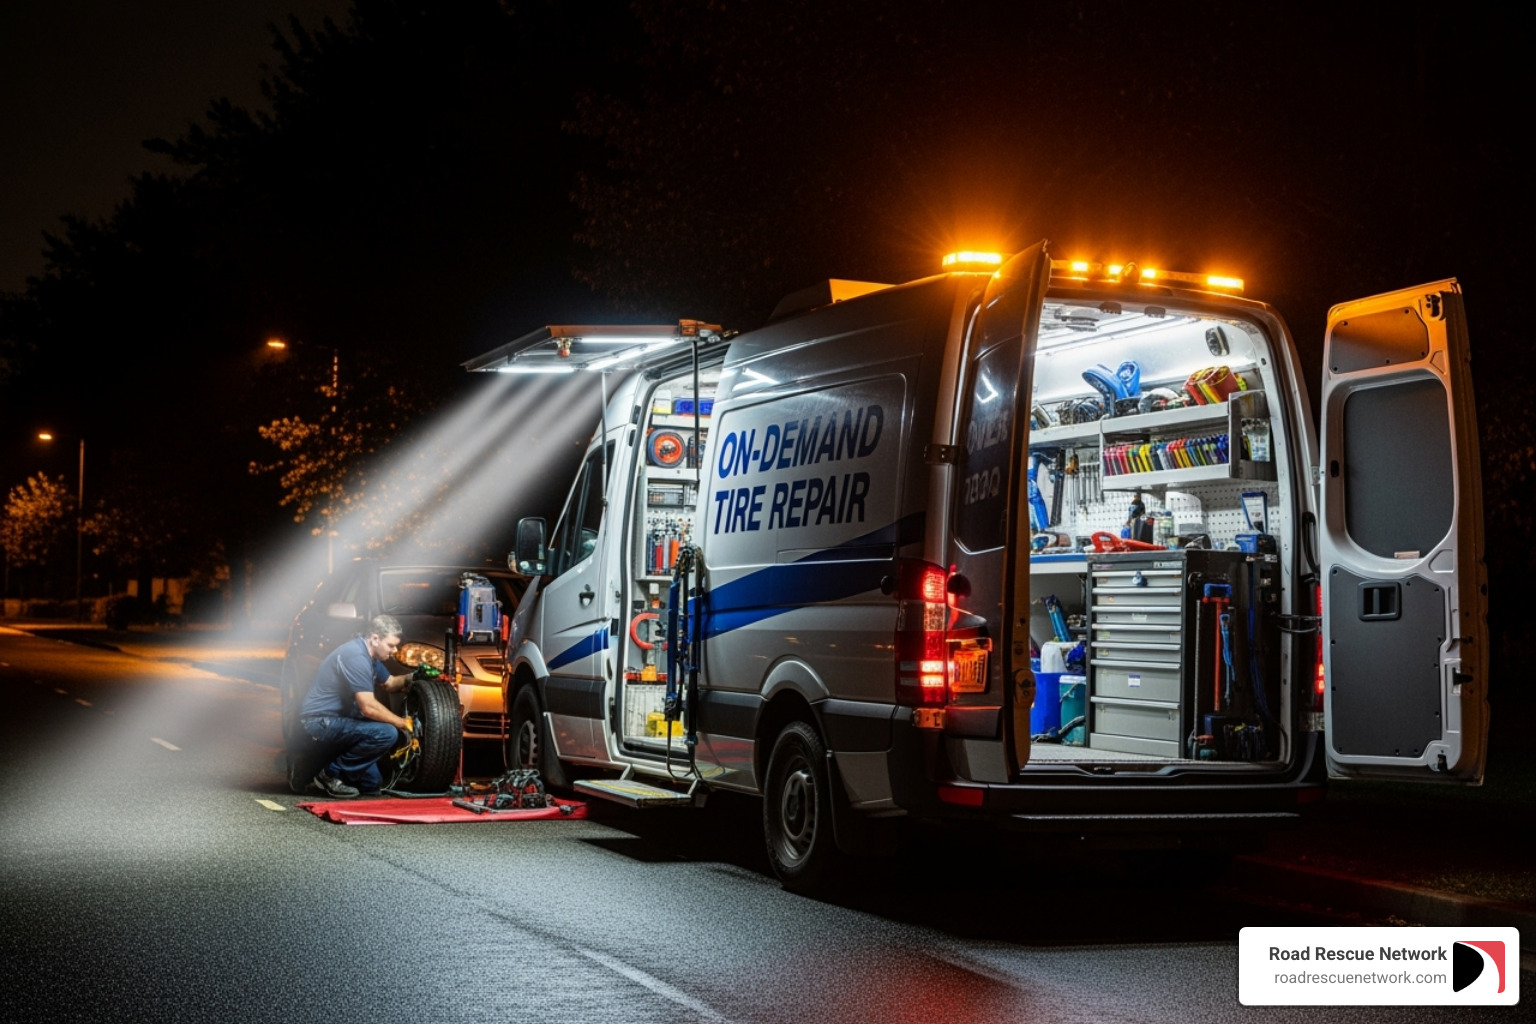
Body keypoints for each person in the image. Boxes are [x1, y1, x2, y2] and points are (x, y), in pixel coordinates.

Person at [298, 614, 416, 798]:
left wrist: (414, 677)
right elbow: (367, 707)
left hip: (340, 721)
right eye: (391, 645)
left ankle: (319, 773)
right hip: (319, 723)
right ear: (375, 639)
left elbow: (390, 683)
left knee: (372, 785)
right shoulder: (356, 656)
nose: (394, 650)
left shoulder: (371, 657)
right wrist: (402, 722)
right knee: (387, 733)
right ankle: (328, 775)